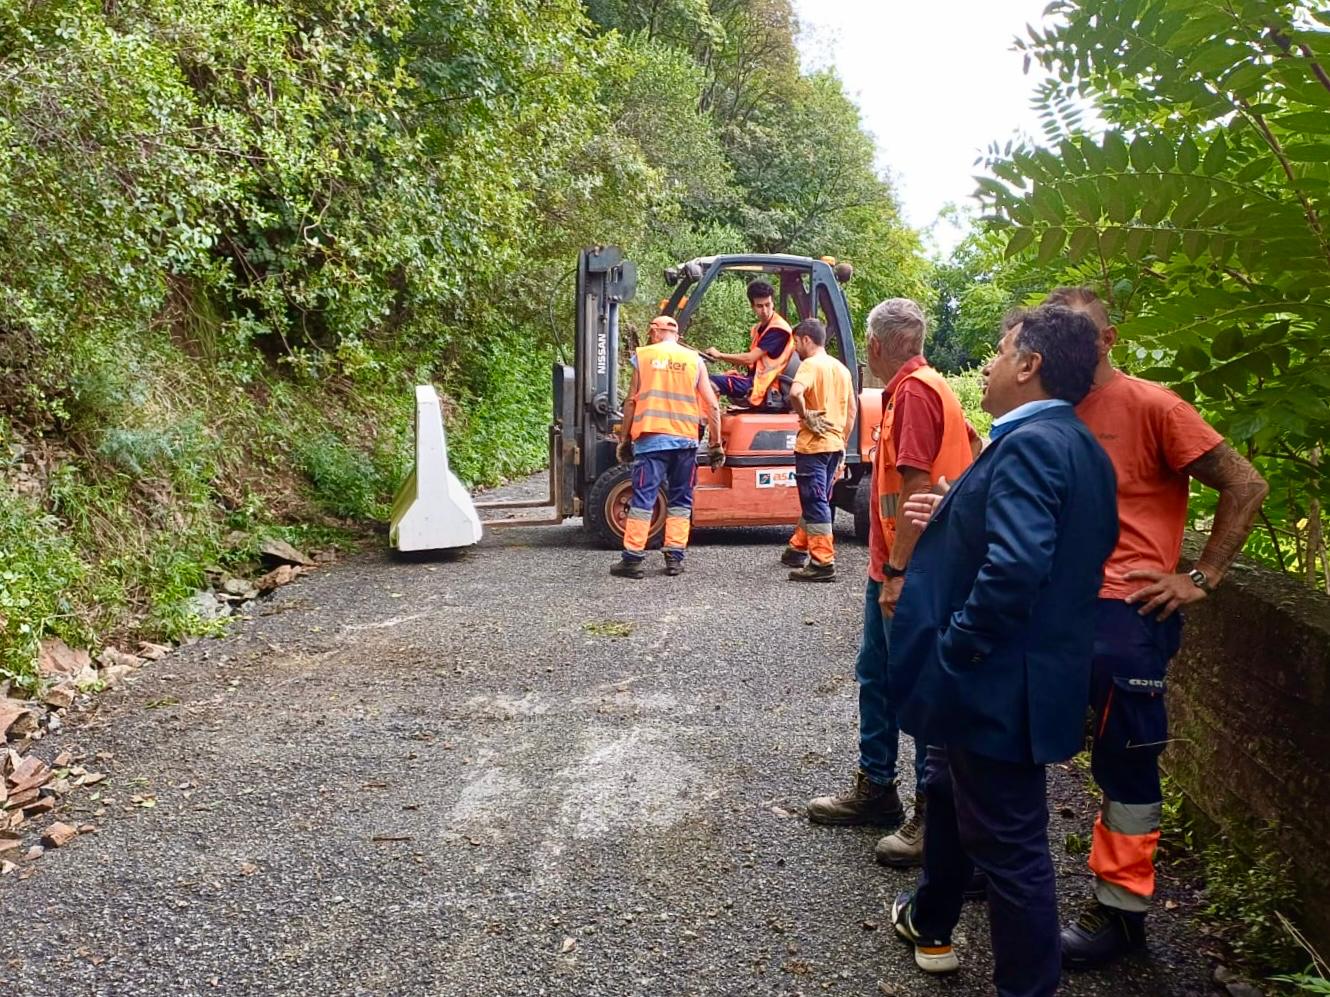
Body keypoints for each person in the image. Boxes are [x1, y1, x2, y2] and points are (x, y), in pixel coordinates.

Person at [887, 305, 1118, 997]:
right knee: (957, 800)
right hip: (1017, 679)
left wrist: (958, 648)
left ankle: (1028, 986)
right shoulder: (1073, 442)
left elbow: (1017, 567)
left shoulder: (1032, 444)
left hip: (995, 685)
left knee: (1014, 851)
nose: (986, 363)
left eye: (998, 349)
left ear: (1030, 365)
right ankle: (932, 916)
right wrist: (958, 507)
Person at [1043, 287, 1270, 969]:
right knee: (1014, 740)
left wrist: (1201, 576)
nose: (1068, 351)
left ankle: (1120, 914)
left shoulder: (1153, 406)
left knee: (1127, 765)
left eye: (1081, 337)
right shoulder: (1050, 406)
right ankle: (995, 873)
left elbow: (1245, 483)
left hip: (1125, 619)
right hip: (1055, 610)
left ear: (1108, 338)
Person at [805, 299, 974, 842]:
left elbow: (919, 486)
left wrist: (899, 572)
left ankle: (932, 814)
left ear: (876, 347)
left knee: (921, 685)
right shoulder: (919, 390)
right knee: (876, 676)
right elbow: (972, 448)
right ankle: (877, 787)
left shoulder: (919, 394)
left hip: (917, 571)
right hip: (896, 565)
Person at [613, 315, 724, 579]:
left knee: (643, 499)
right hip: (685, 442)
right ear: (677, 334)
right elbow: (713, 405)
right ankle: (674, 557)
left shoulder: (645, 356)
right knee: (681, 499)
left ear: (654, 331)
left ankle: (632, 560)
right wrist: (716, 443)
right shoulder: (694, 360)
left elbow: (630, 401)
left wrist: (625, 439)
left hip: (651, 441)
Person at [782, 318, 856, 583]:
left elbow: (795, 393)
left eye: (796, 343)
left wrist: (806, 415)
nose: (795, 349)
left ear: (805, 339)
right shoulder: (841, 369)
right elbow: (852, 412)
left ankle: (822, 563)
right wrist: (843, 444)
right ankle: (796, 549)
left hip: (813, 447)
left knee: (814, 502)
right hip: (834, 446)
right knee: (818, 500)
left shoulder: (810, 365)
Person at [703, 281, 795, 406]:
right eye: (760, 306)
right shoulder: (759, 328)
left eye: (768, 305)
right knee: (713, 378)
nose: (765, 311)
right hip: (756, 381)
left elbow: (749, 359)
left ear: (773, 303)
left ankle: (704, 423)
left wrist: (719, 355)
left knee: (706, 381)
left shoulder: (778, 329)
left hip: (765, 386)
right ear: (752, 306)